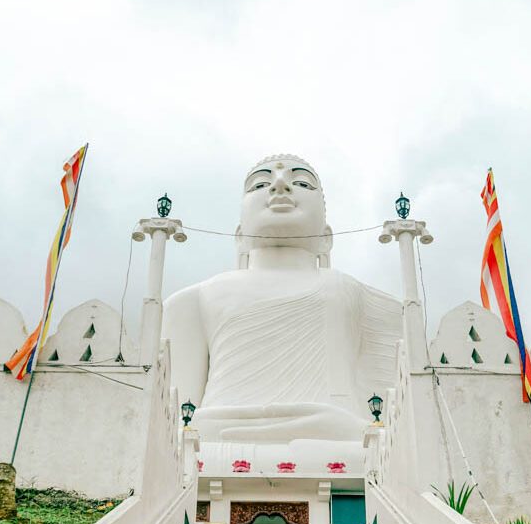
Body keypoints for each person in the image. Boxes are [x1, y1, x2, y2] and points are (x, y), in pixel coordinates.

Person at [162, 155, 402, 445]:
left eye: (301, 183)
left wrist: (351, 428)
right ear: (240, 237)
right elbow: (178, 420)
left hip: (337, 441)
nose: (279, 185)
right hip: (217, 441)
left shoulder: (356, 295)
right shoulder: (193, 300)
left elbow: (387, 418)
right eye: (261, 184)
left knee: (356, 437)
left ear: (326, 238)